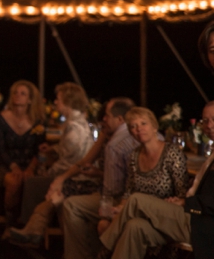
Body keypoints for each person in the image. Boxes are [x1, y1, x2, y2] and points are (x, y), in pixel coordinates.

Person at [11, 97, 135, 246]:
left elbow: (120, 181)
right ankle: (36, 229)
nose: (104, 122)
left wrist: (96, 174)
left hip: (108, 191)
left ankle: (35, 228)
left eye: (106, 118)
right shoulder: (106, 134)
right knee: (62, 186)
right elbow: (84, 162)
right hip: (101, 184)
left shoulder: (121, 141)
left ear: (120, 119)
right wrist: (61, 178)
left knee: (62, 192)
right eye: (102, 120)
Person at [97, 106, 190, 258]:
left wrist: (177, 201)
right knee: (133, 225)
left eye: (143, 123)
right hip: (140, 215)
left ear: (154, 126)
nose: (138, 129)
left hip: (167, 215)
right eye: (133, 126)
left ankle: (103, 250)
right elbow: (129, 191)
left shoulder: (172, 153)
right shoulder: (134, 156)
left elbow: (183, 195)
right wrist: (120, 208)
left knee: (136, 200)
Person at [60, 97, 138, 259]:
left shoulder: (115, 144)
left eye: (107, 115)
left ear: (119, 119)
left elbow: (111, 191)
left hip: (124, 201)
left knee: (71, 205)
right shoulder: (148, 135)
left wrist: (106, 211)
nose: (103, 118)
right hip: (138, 199)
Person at [13, 82, 93, 234]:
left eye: (58, 99)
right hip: (76, 175)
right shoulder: (77, 122)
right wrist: (53, 149)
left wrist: (47, 172)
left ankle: (29, 228)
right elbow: (71, 150)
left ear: (68, 102)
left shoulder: (74, 127)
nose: (55, 102)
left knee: (32, 182)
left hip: (76, 178)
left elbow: (68, 163)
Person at [0, 79, 46, 226]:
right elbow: (0, 148)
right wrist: (14, 166)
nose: (17, 95)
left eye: (23, 93)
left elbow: (39, 149)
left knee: (32, 181)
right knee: (14, 181)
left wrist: (30, 168)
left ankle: (30, 224)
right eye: (15, 92)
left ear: (29, 100)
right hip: (7, 164)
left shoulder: (37, 121)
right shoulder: (1, 118)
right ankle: (12, 222)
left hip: (30, 165)